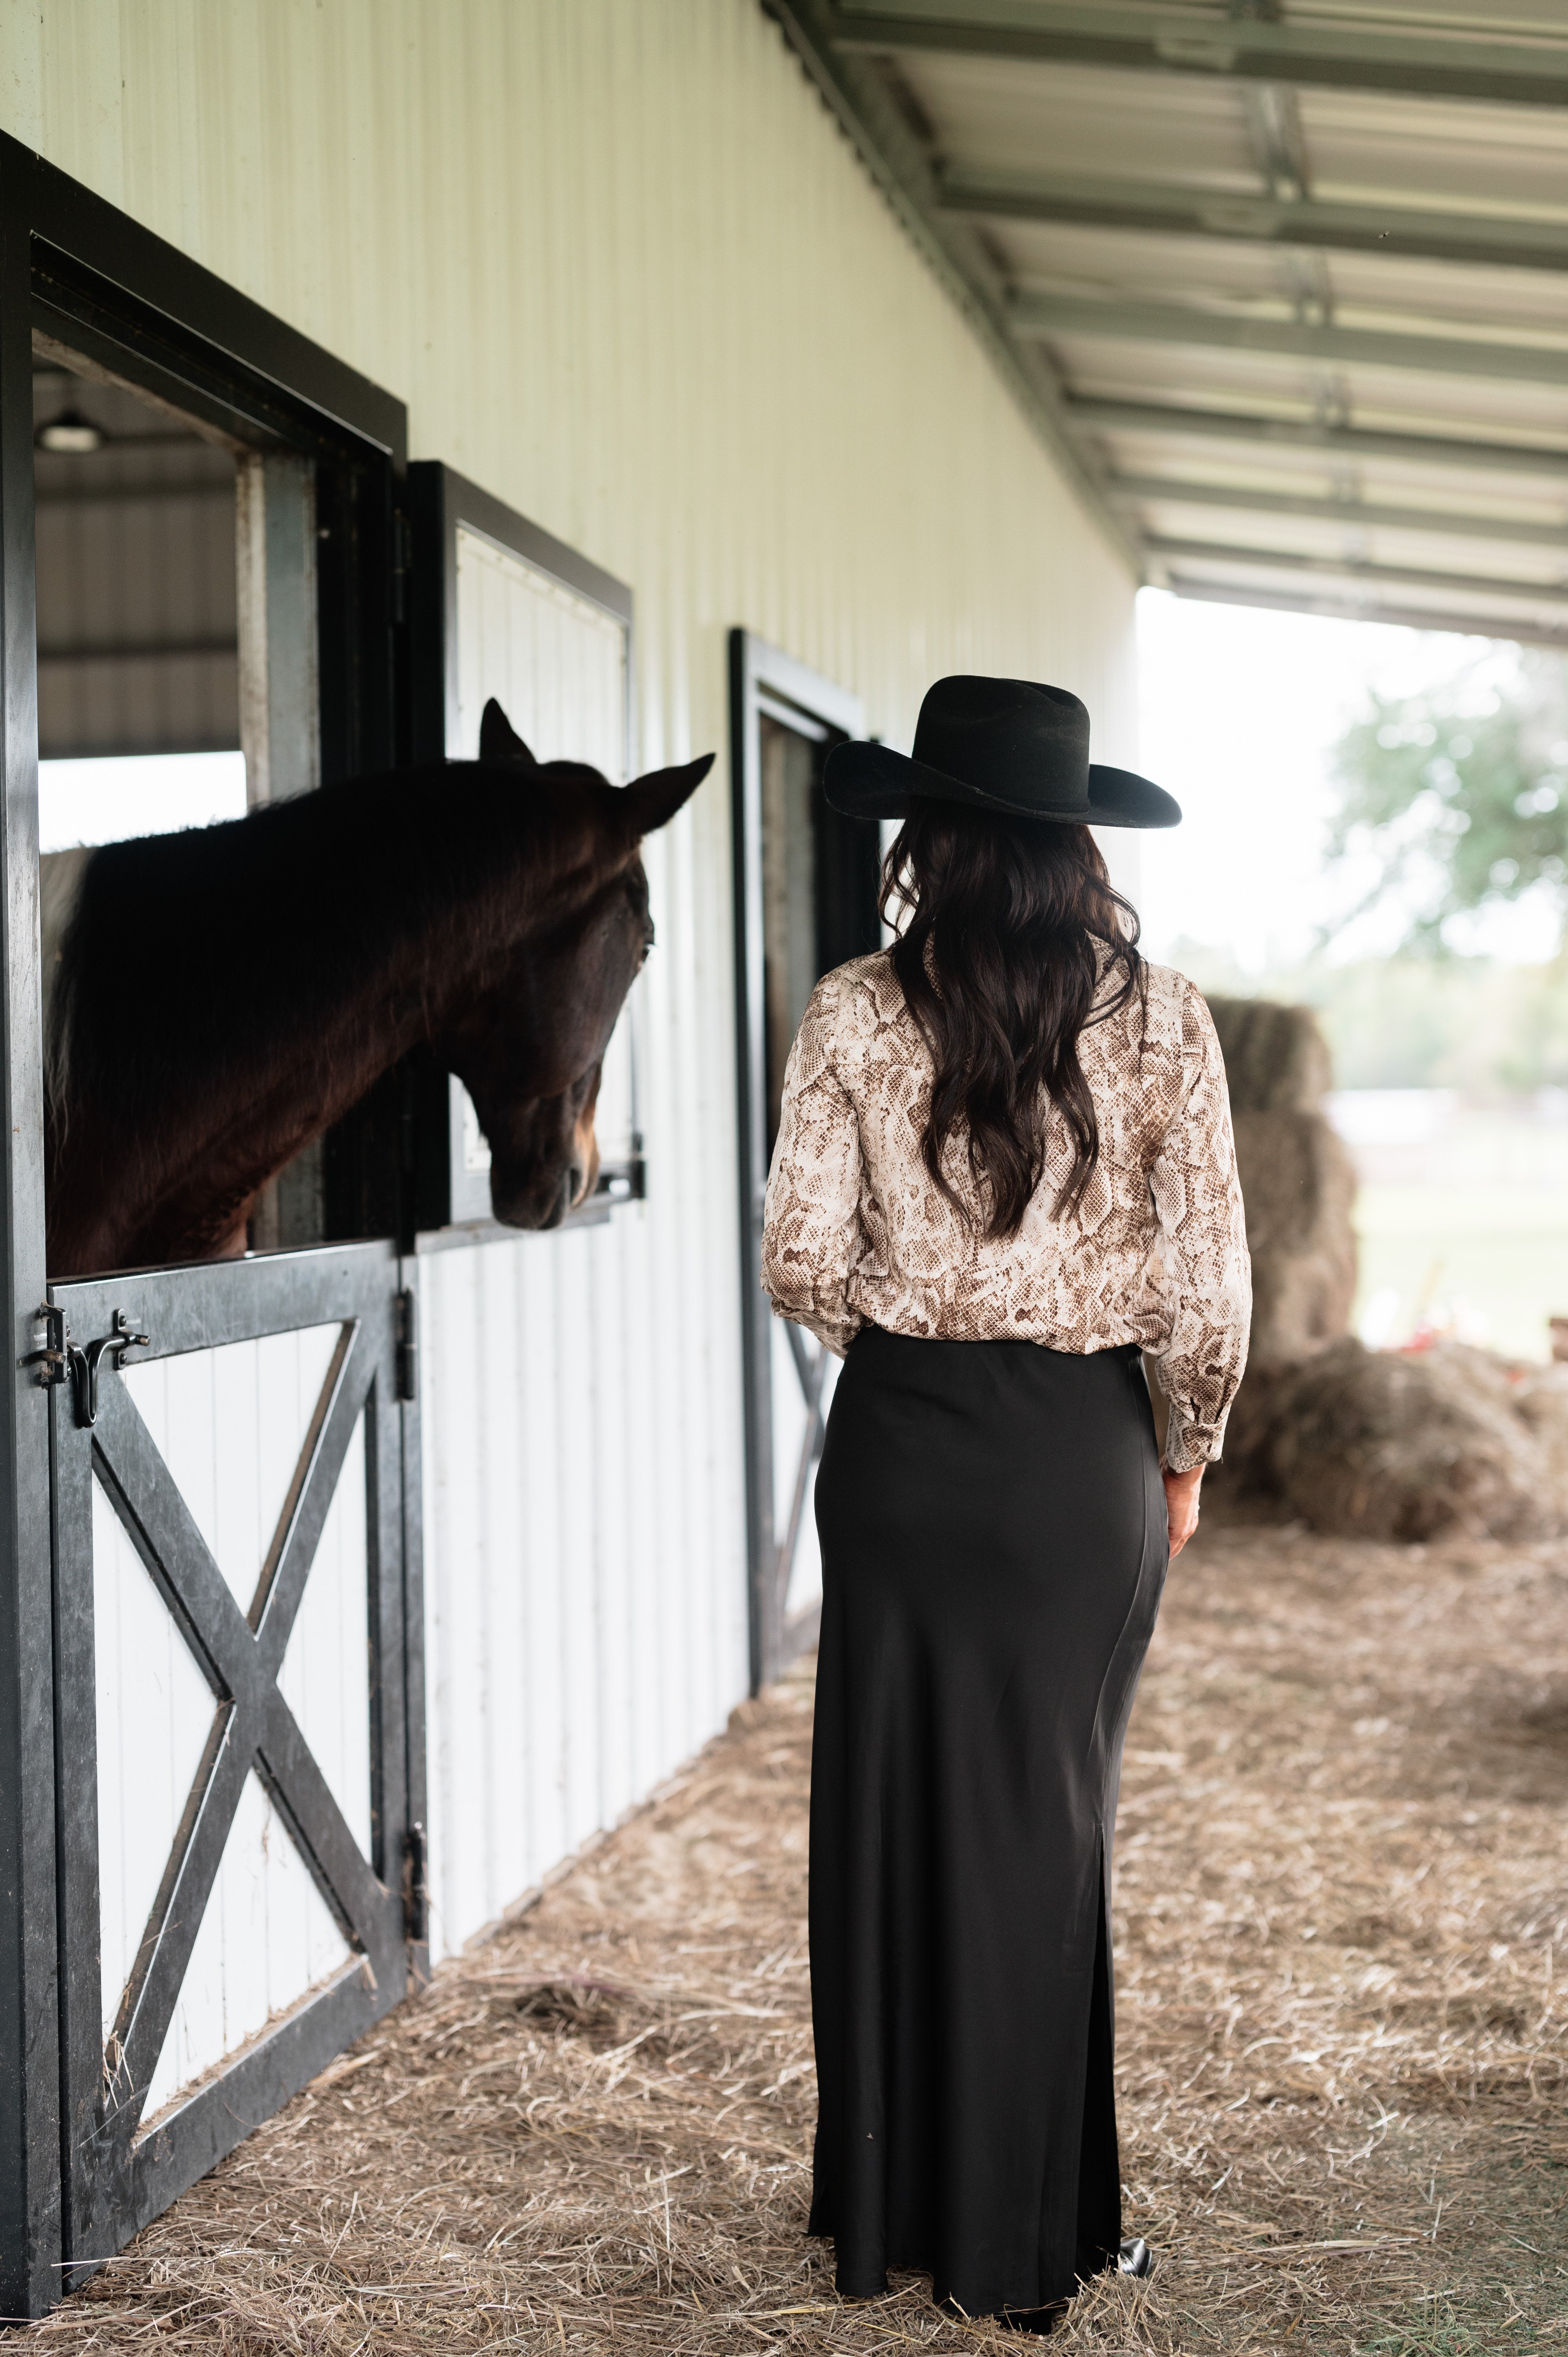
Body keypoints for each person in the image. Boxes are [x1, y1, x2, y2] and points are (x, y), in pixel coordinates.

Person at [761, 676, 1251, 2336]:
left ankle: (885, 2210)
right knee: (1047, 1825)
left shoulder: (847, 1008)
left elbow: (801, 1265)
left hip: (897, 1444)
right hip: (1076, 1463)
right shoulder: (1166, 1020)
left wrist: (910, 1351)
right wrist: (1178, 1454)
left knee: (885, 1811)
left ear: (927, 834)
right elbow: (1209, 1298)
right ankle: (1025, 2231)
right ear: (1076, 838)